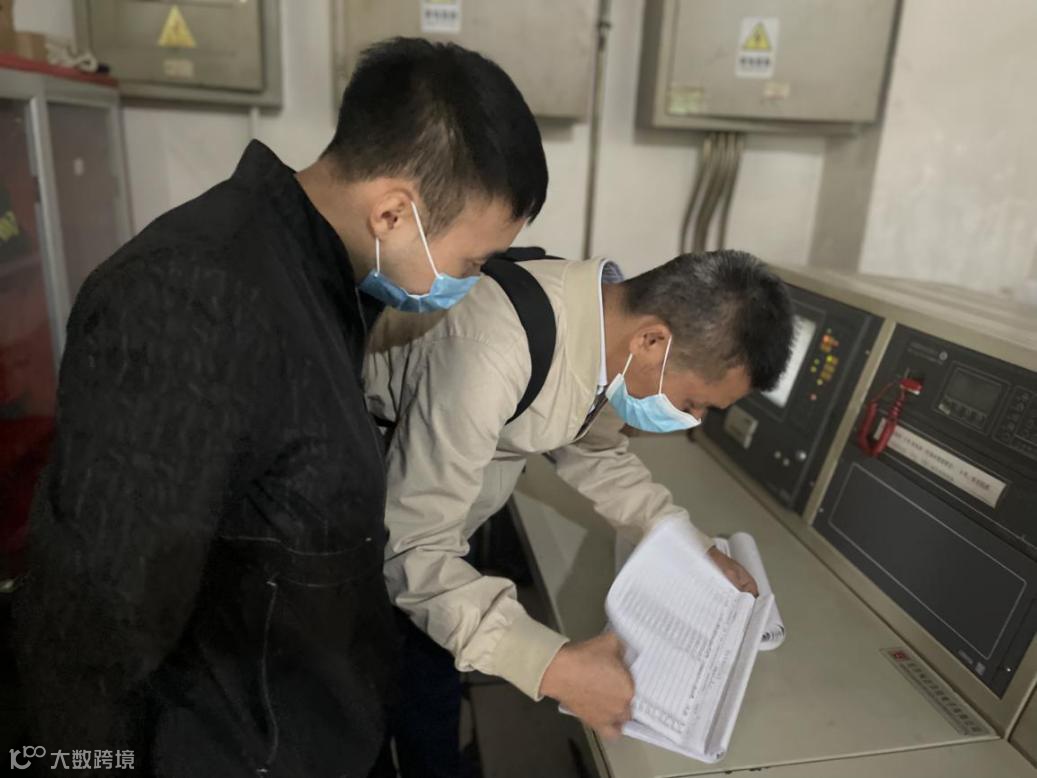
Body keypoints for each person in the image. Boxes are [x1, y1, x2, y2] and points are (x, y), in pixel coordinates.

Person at [13, 37, 547, 777]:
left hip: (313, 721)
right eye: (471, 263)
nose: (469, 284)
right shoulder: (192, 301)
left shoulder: (321, 280)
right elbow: (95, 623)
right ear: (394, 213)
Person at [364, 250, 793, 777]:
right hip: (375, 537)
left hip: (444, 528)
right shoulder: (491, 350)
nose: (694, 420)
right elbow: (412, 549)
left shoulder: (606, 333)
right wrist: (553, 666)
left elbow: (593, 450)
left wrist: (688, 544)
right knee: (384, 698)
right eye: (693, 402)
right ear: (652, 341)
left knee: (432, 676)